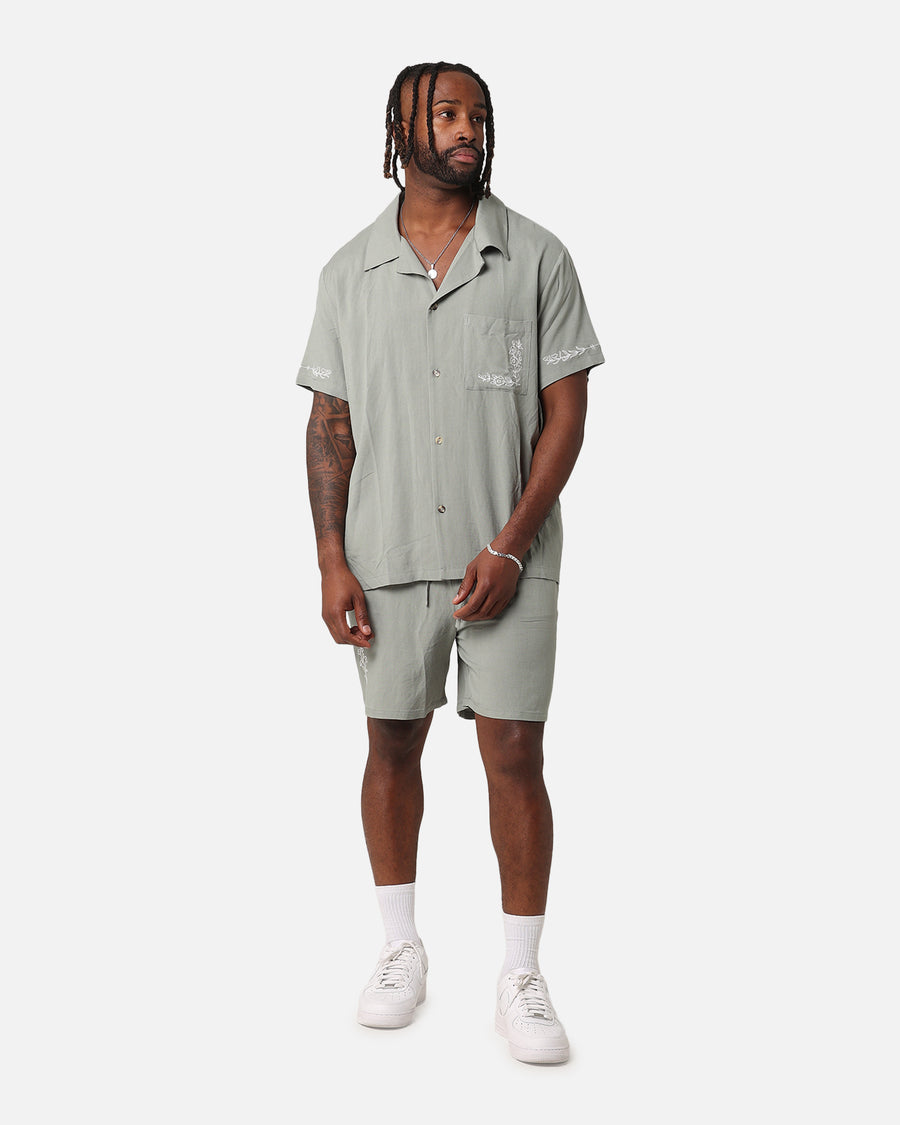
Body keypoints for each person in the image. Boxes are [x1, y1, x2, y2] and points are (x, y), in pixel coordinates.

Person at [296, 61, 604, 1065]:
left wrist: (512, 543)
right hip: (385, 554)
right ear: (400, 131)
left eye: (478, 113)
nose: (468, 128)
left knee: (515, 753)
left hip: (506, 554)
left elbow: (566, 414)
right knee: (390, 743)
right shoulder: (348, 271)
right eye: (446, 112)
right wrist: (331, 559)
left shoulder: (538, 257)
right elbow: (330, 422)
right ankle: (400, 948)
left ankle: (521, 972)